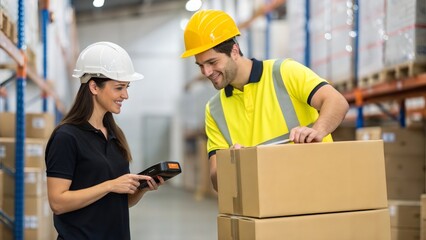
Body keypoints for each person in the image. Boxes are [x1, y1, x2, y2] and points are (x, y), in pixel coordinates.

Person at [181, 9, 350, 191]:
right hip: (266, 204)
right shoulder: (214, 109)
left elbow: (336, 102)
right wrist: (230, 163)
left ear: (235, 51)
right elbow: (216, 182)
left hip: (316, 190)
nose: (206, 72)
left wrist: (318, 130)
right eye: (201, 66)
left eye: (212, 62)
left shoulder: (284, 72)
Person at [45, 41, 164, 240]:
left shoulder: (115, 135)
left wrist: (140, 190)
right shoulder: (66, 137)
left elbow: (119, 201)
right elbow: (58, 202)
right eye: (119, 88)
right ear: (94, 86)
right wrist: (110, 185)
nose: (125, 95)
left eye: (127, 87)